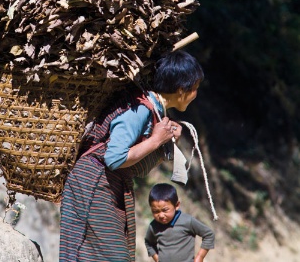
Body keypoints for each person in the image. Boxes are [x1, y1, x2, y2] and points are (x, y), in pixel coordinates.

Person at [59, 50, 204, 261]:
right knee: (111, 257)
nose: (196, 95)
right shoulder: (139, 110)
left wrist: (166, 144)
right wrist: (156, 140)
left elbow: (138, 165)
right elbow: (114, 158)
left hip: (108, 186)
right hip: (92, 185)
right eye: (195, 89)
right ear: (181, 90)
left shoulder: (157, 113)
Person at [144, 183, 215, 262]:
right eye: (155, 211)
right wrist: (156, 258)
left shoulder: (187, 221)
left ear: (176, 205)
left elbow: (208, 234)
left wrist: (200, 257)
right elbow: (148, 242)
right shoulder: (154, 226)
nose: (160, 215)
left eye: (165, 210)